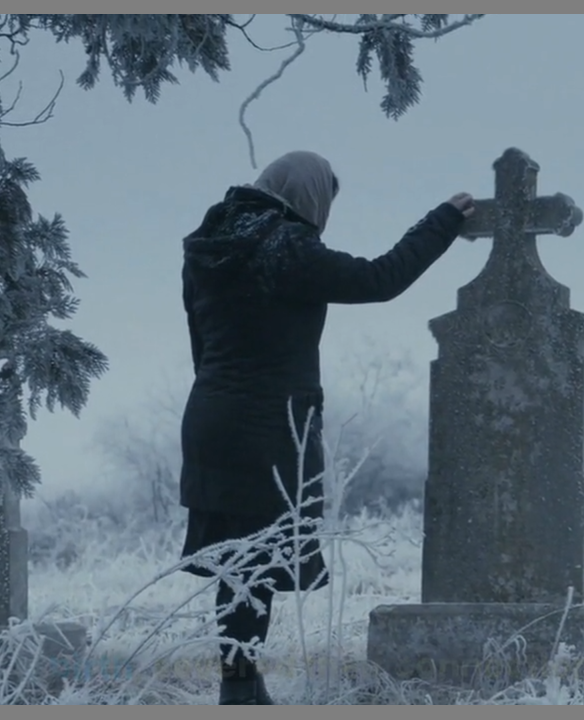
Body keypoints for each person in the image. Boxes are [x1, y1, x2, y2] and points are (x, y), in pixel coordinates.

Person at [178, 150, 475, 705]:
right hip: (267, 425)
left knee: (240, 563)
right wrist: (443, 221)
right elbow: (380, 278)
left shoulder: (209, 245)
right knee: (257, 561)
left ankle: (241, 685)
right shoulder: (285, 247)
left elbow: (200, 343)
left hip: (210, 419)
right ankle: (239, 693)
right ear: (308, 197)